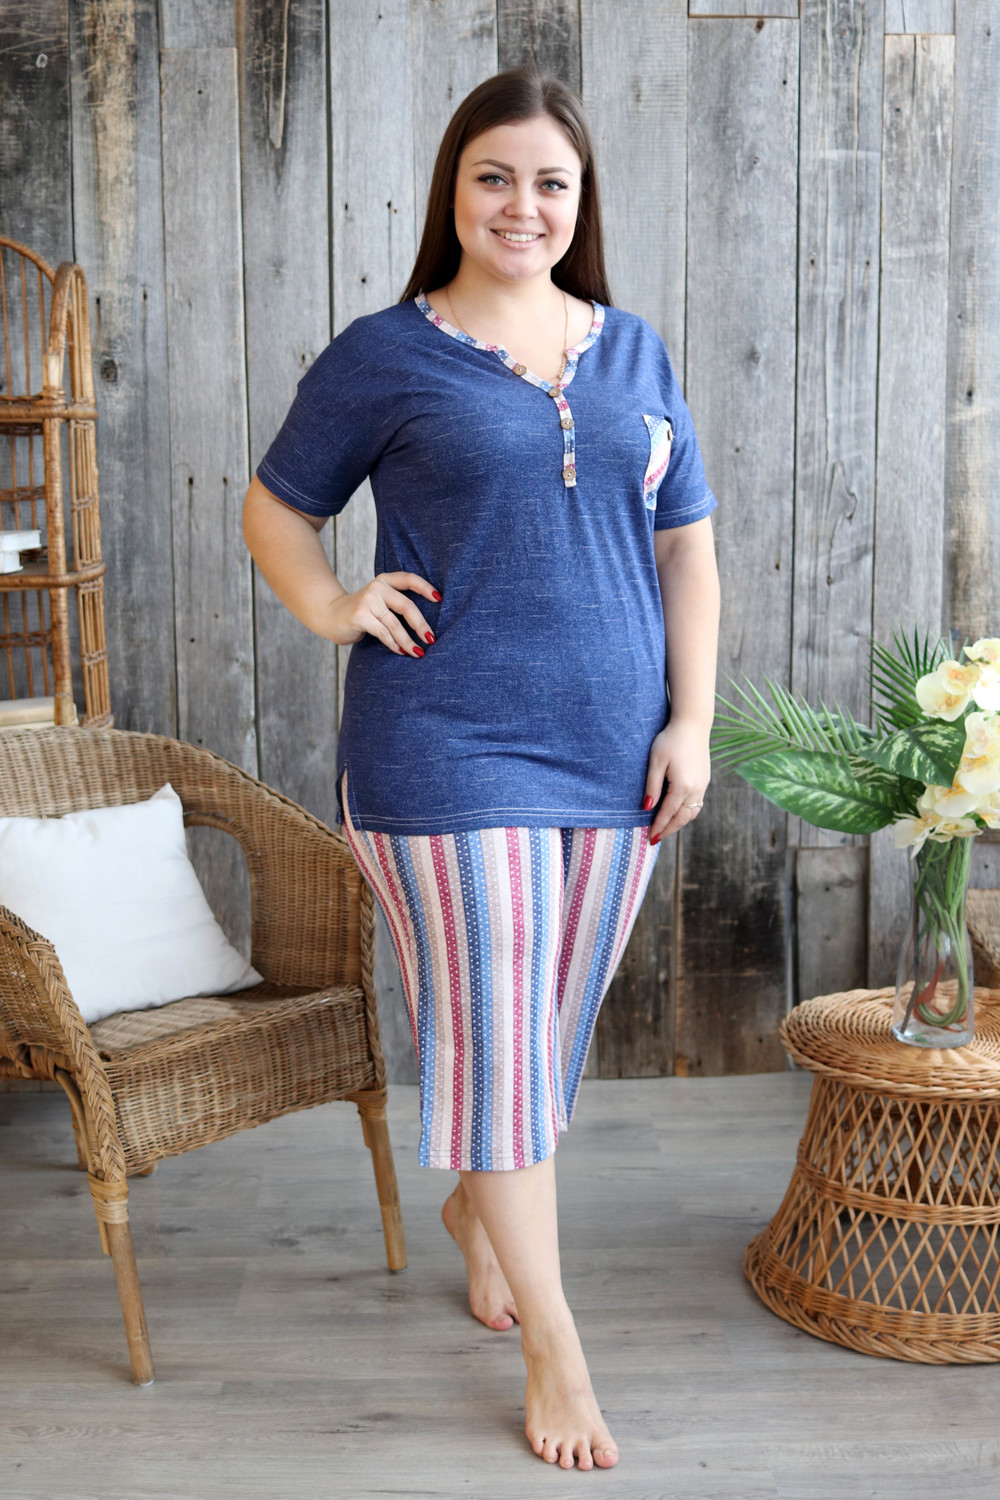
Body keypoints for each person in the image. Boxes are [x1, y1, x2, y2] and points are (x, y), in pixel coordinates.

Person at [242, 65, 720, 1472]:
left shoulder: (633, 351)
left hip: (617, 755)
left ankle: (477, 1207)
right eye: (494, 177)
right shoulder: (387, 353)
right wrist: (334, 604)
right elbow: (276, 507)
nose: (523, 205)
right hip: (442, 750)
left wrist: (692, 723)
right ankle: (557, 1346)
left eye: (550, 182)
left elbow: (687, 548)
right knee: (502, 1035)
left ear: (581, 201)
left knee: (545, 1030)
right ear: (453, 190)